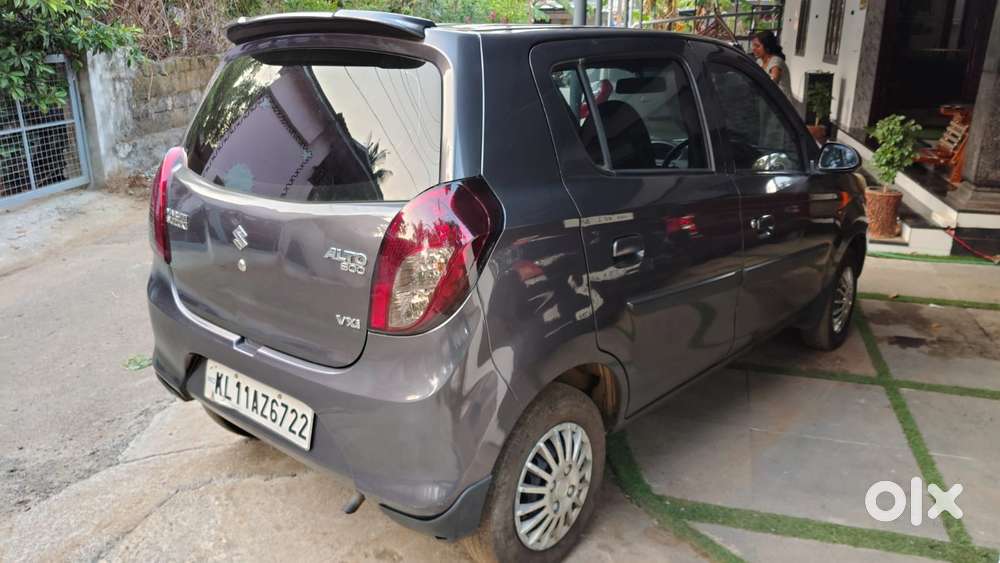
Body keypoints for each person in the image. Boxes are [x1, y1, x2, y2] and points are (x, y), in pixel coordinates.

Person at [751, 30, 791, 98]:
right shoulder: (759, 61)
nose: (753, 49)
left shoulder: (776, 61)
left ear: (767, 47)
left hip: (780, 103)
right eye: (753, 46)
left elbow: (772, 82)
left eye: (757, 46)